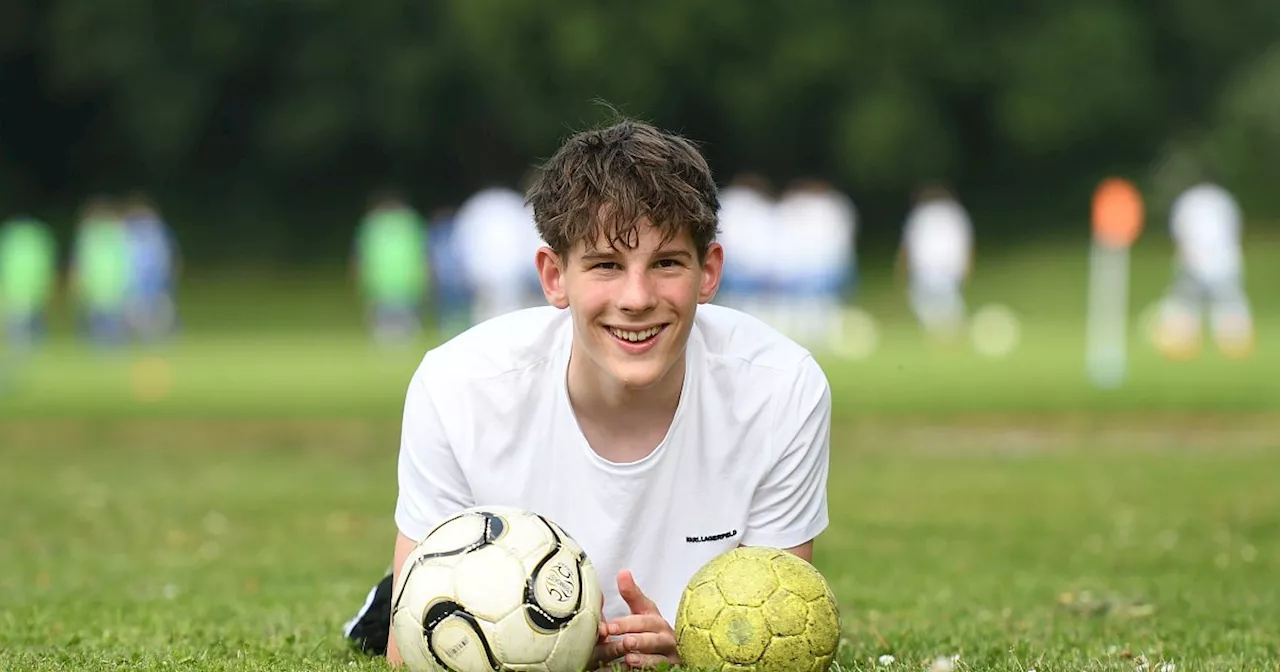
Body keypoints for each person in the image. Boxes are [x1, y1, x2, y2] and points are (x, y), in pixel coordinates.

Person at [343, 119, 833, 670]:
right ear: (554, 277)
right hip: (482, 588)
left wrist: (693, 649)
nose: (636, 297)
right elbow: (404, 659)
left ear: (709, 272)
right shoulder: (458, 386)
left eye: (666, 263)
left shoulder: (782, 387)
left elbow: (781, 638)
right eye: (605, 265)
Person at [1153, 181, 1253, 359]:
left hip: (1210, 262)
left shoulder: (1191, 202)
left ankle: (1231, 342)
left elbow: (1180, 233)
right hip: (1214, 262)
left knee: (1217, 304)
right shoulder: (1220, 200)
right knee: (1192, 304)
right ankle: (1185, 342)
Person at [897, 183, 973, 344]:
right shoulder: (954, 213)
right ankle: (945, 332)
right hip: (946, 264)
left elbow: (910, 243)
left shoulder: (923, 214)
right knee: (944, 299)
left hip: (929, 264)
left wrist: (902, 264)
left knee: (932, 299)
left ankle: (946, 332)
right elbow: (965, 241)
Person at [353, 191, 430, 345]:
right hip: (406, 277)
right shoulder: (410, 222)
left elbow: (360, 254)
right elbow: (423, 252)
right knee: (404, 318)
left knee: (384, 319)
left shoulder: (373, 223)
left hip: (380, 278)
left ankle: (386, 345)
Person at [121, 193, 181, 343]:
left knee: (160, 308)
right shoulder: (126, 230)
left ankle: (165, 336)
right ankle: (145, 337)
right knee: (139, 310)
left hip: (155, 277)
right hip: (136, 280)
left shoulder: (158, 230)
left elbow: (169, 253)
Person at [0, 215, 58, 349]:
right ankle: (28, 347)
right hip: (32, 287)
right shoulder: (39, 239)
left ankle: (21, 348)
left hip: (14, 287)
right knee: (29, 319)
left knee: (19, 320)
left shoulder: (9, 239)